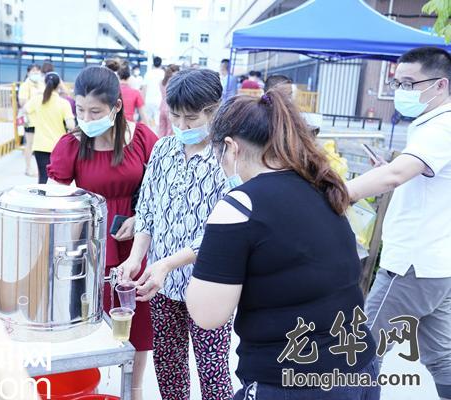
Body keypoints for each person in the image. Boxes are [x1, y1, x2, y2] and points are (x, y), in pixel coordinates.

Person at [187, 89, 379, 400]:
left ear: (231, 148)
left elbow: (208, 315)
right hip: (359, 368)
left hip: (292, 380)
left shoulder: (240, 205)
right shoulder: (321, 185)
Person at [119, 69, 232, 400]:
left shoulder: (227, 157)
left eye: (192, 118)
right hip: (162, 284)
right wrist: (136, 258)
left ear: (215, 110)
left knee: (213, 371)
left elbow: (224, 230)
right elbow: (148, 210)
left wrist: (168, 263)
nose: (182, 125)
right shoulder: (163, 149)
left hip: (210, 285)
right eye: (176, 116)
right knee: (168, 367)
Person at [47, 66, 157, 400]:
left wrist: (139, 218)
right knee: (87, 319)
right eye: (80, 110)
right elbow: (55, 200)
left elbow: (160, 188)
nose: (86, 118)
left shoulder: (142, 138)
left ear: (116, 106)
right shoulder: (71, 144)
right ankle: (86, 385)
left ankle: (134, 389)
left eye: (95, 112)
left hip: (136, 246)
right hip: (90, 245)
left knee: (137, 321)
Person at [347, 46, 451, 400]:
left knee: (361, 353)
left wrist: (337, 193)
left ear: (440, 85)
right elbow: (407, 176)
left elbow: (395, 176)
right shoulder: (434, 124)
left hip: (411, 265)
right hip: (436, 265)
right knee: (442, 358)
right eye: (397, 84)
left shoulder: (440, 127)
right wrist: (388, 171)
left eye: (409, 84)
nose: (400, 92)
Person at [24, 72, 75, 184]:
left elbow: (25, 110)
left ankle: (41, 195)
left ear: (44, 83)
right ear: (59, 85)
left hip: (40, 145)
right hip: (58, 146)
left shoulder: (37, 99)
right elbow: (71, 125)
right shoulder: (64, 103)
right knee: (58, 180)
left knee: (43, 178)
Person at [18, 64, 44, 176]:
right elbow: (22, 103)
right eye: (33, 71)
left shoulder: (42, 84)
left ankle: (39, 169)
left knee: (40, 145)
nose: (36, 73)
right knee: (29, 144)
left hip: (41, 119)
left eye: (38, 71)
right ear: (28, 73)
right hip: (30, 120)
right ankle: (28, 168)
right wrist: (36, 97)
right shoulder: (25, 85)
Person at [142, 56, 164, 132]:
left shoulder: (148, 73)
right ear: (161, 63)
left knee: (148, 120)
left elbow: (144, 88)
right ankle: (156, 136)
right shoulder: (163, 73)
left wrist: (143, 100)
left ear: (153, 63)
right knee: (158, 121)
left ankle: (149, 135)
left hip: (148, 100)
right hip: (159, 100)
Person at [158, 64, 180, 137]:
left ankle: (160, 142)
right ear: (175, 72)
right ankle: (167, 144)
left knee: (161, 128)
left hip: (162, 106)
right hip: (170, 107)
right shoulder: (174, 82)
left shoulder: (162, 81)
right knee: (170, 130)